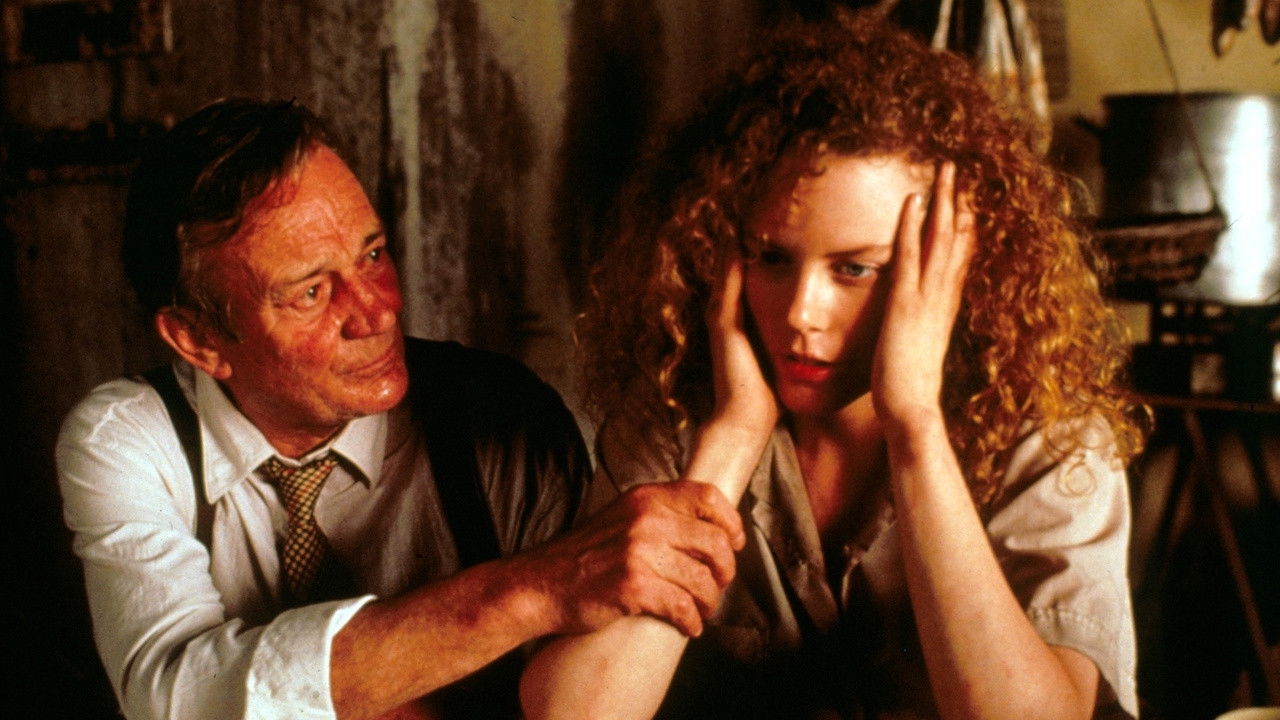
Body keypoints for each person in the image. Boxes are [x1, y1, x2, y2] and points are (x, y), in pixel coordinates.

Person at [522, 10, 1148, 720]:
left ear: (953, 265)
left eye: (854, 269)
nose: (800, 313)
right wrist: (731, 439)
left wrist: (915, 427)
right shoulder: (676, 411)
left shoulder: (1047, 435)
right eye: (772, 257)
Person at [55, 98, 746, 720]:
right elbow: (175, 699)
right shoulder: (130, 438)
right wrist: (537, 587)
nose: (378, 311)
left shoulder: (502, 419)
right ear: (198, 340)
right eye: (311, 293)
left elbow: (584, 703)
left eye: (373, 255)